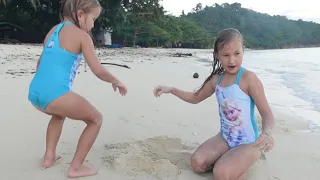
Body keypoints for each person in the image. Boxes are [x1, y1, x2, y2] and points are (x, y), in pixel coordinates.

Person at [153, 28, 274, 180]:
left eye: (237, 54)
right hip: (225, 138)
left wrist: (267, 134)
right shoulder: (216, 80)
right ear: (217, 55)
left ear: (243, 51)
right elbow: (194, 97)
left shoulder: (249, 78)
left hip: (249, 143)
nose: (232, 60)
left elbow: (267, 114)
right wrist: (171, 89)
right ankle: (233, 163)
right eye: (225, 55)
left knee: (221, 173)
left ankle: (238, 164)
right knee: (198, 163)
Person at [27, 0, 127, 178]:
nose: (93, 23)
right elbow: (97, 70)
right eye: (93, 18)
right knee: (96, 119)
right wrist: (116, 81)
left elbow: (40, 64)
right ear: (80, 15)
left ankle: (49, 157)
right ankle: (76, 168)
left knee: (59, 114)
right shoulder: (82, 36)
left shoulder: (52, 31)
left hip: (35, 92)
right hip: (55, 94)